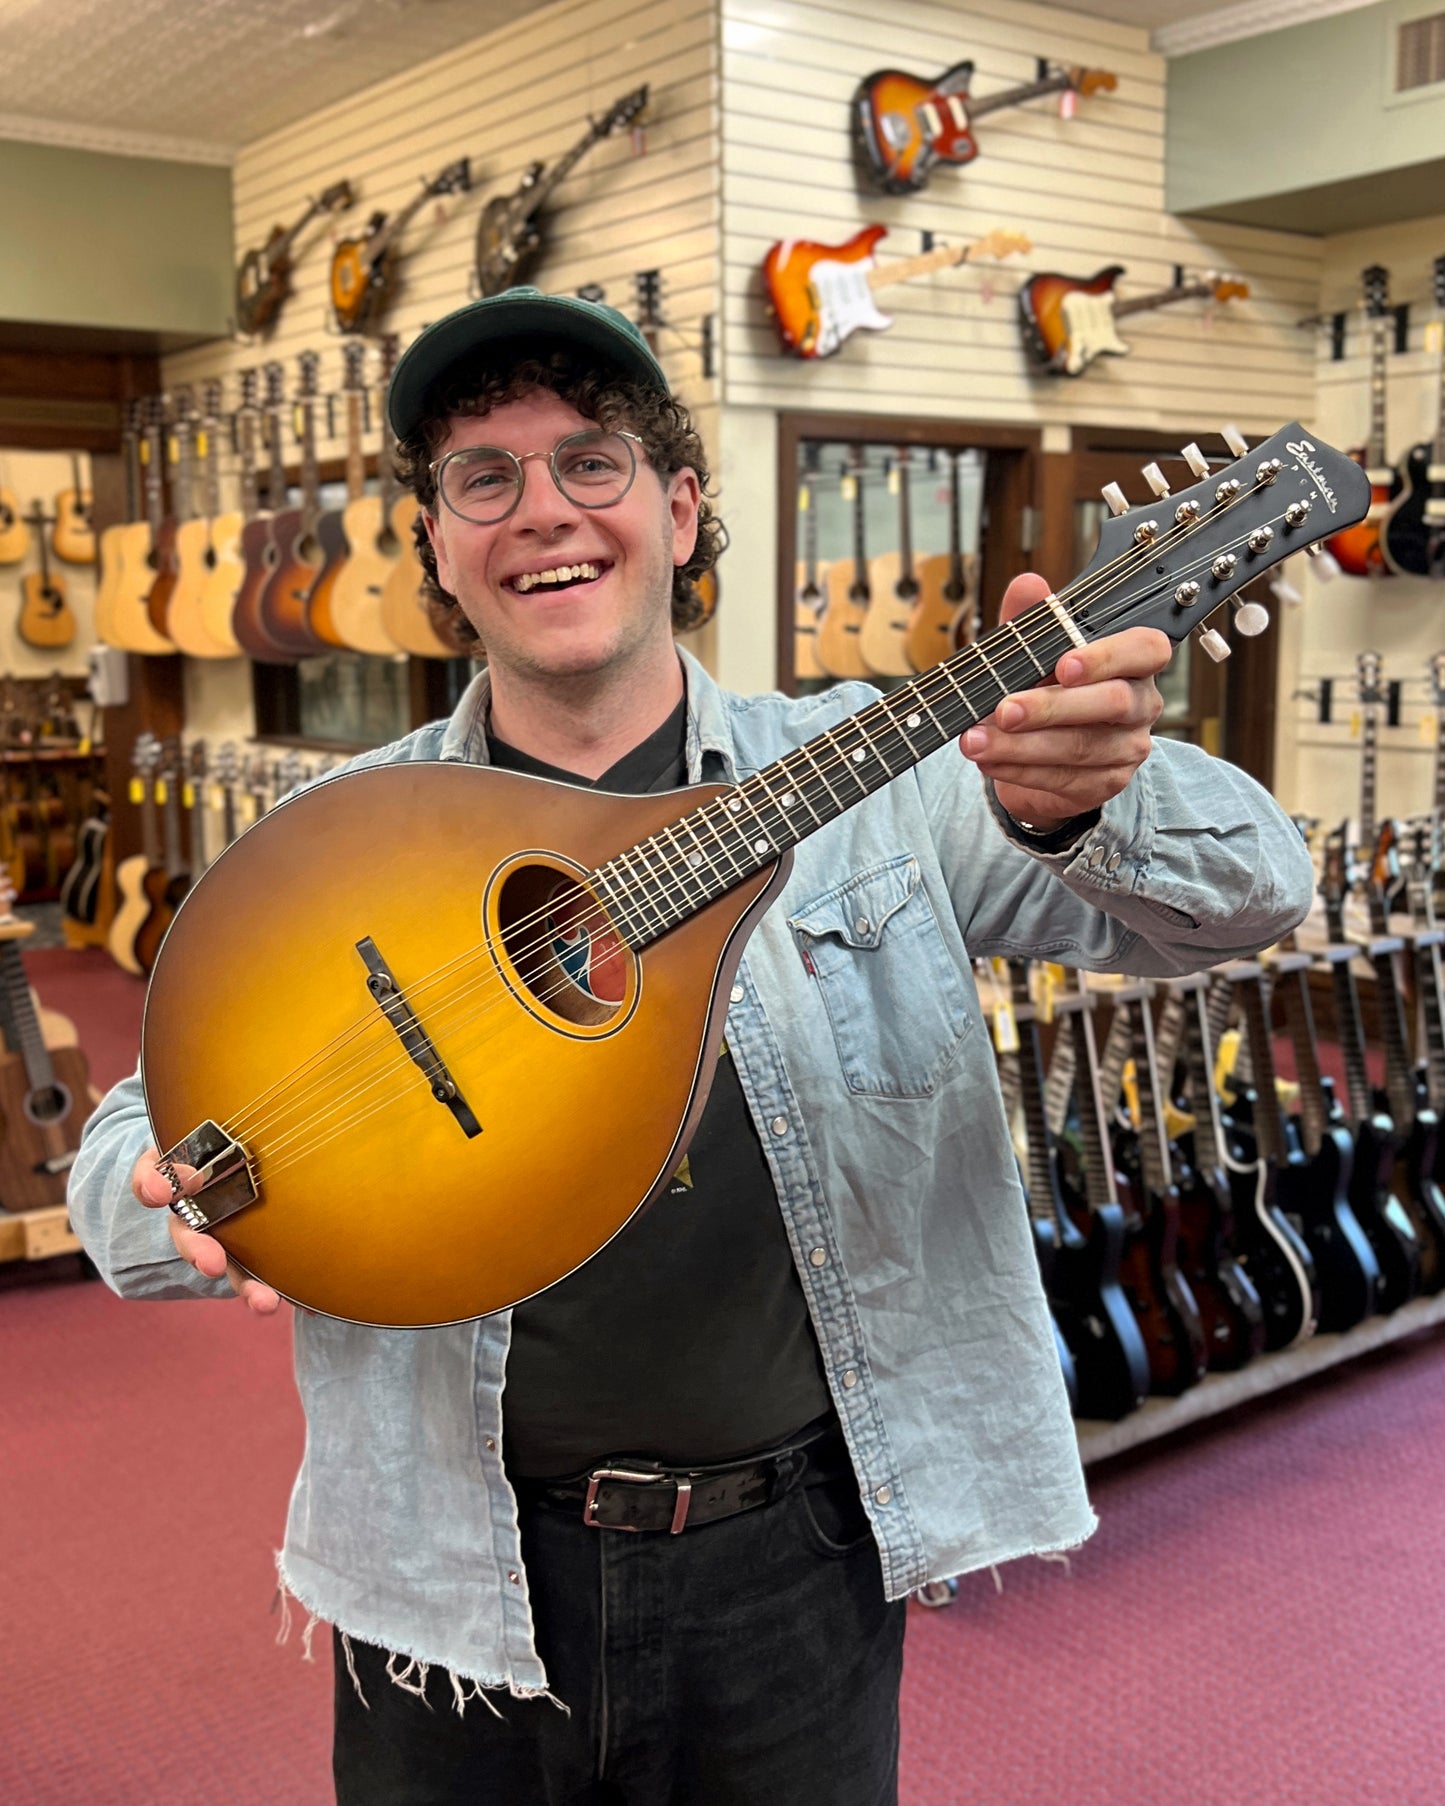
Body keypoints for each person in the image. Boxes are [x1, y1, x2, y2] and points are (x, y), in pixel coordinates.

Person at [69, 287, 1314, 1805]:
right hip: (453, 1574)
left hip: (790, 1560)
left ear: (676, 506)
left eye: (590, 462)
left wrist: (1080, 804)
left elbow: (1251, 898)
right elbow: (128, 1151)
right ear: (440, 546)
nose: (542, 512)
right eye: (484, 476)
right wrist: (168, 1195)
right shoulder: (340, 836)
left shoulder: (882, 775)